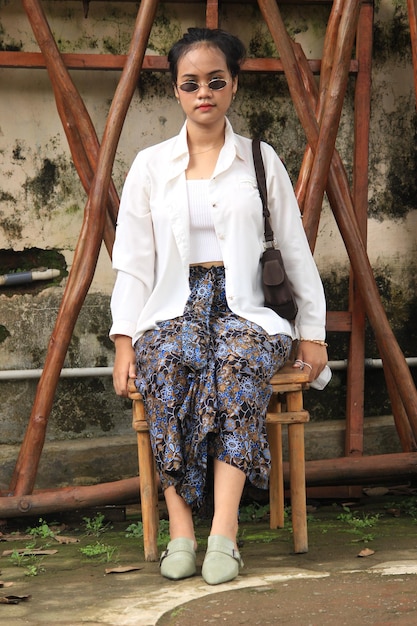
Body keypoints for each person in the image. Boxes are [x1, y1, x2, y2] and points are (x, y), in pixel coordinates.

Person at [110, 27, 328, 585]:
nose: (203, 92)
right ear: (177, 92)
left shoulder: (260, 160)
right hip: (173, 305)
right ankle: (181, 530)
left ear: (232, 86)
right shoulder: (150, 166)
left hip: (246, 307)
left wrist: (314, 333)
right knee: (165, 362)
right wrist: (123, 341)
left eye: (215, 81)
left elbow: (296, 249)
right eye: (191, 83)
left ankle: (223, 534)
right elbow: (133, 263)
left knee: (235, 362)